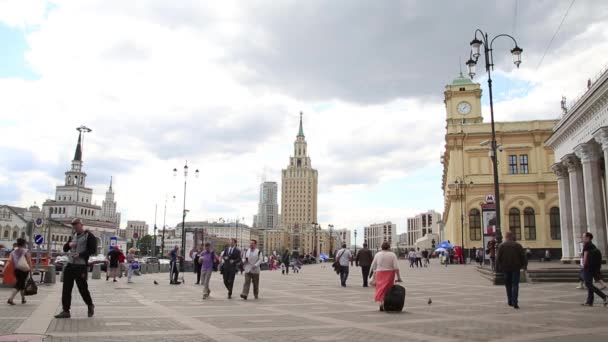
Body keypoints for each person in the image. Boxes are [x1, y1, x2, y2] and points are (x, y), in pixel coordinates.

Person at [55, 218, 96, 319]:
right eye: (74, 226)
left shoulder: (89, 236)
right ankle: (65, 311)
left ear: (82, 225)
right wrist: (69, 244)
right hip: (70, 264)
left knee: (82, 288)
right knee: (66, 288)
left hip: (81, 266)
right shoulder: (72, 236)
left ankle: (90, 304)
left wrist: (80, 254)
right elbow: (65, 248)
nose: (75, 228)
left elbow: (92, 250)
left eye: (77, 226)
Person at [496, 231, 527, 309]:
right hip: (516, 268)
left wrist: (499, 267)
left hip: (506, 268)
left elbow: (498, 258)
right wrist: (524, 265)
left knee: (508, 285)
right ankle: (515, 302)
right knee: (515, 284)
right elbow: (523, 256)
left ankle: (509, 300)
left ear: (506, 237)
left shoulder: (501, 246)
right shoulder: (518, 245)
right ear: (512, 236)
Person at [371, 241, 402, 311]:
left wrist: (373, 277)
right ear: (389, 247)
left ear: (382, 247)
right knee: (388, 289)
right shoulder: (392, 255)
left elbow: (374, 267)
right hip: (389, 273)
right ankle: (386, 302)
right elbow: (396, 267)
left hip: (379, 273)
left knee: (380, 288)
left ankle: (381, 302)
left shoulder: (377, 254)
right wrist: (399, 277)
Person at [580, 232, 607, 307]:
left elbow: (585, 257)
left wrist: (583, 266)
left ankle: (604, 296)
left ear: (588, 238)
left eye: (583, 237)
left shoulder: (587, 246)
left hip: (588, 267)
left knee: (588, 284)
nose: (582, 238)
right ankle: (589, 301)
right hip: (593, 267)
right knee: (589, 284)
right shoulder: (592, 245)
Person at [6, 238, 31, 305]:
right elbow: (29, 261)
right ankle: (10, 299)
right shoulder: (26, 251)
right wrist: (31, 269)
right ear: (24, 244)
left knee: (21, 284)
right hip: (24, 270)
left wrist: (5, 268)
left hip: (16, 270)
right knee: (19, 284)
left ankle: (23, 299)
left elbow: (9, 261)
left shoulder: (13, 252)